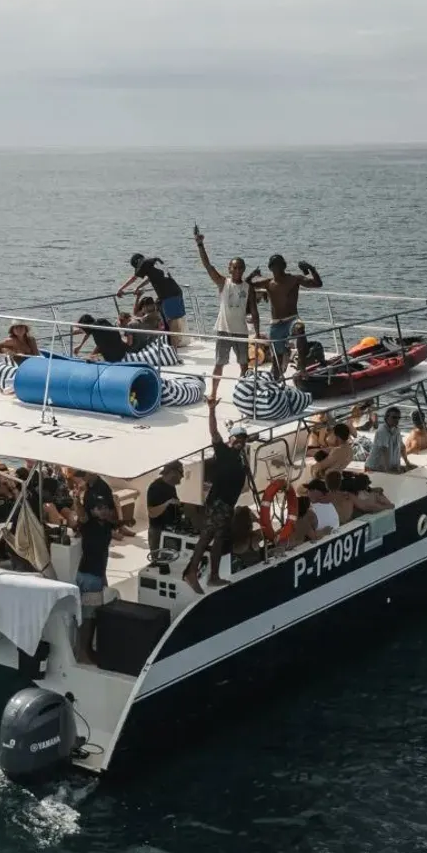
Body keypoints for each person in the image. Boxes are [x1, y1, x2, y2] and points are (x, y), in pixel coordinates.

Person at [184, 412, 249, 593]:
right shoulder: (224, 452)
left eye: (243, 440)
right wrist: (211, 410)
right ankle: (192, 572)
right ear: (230, 439)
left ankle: (212, 575)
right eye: (237, 438)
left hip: (227, 505)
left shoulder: (239, 459)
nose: (240, 442)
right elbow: (213, 431)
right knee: (207, 537)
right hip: (218, 503)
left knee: (218, 539)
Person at [192, 229, 260, 383]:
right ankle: (213, 393)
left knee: (244, 365)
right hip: (223, 330)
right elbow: (208, 266)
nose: (237, 270)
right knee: (219, 364)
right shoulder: (223, 283)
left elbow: (254, 313)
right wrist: (200, 244)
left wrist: (256, 335)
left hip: (241, 331)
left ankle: (244, 391)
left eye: (240, 267)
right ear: (229, 268)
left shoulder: (248, 288)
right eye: (234, 267)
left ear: (244, 269)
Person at [250, 255, 324, 374]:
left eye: (280, 265)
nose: (277, 269)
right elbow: (247, 285)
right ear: (270, 268)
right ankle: (276, 380)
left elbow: (317, 283)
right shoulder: (268, 282)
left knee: (299, 328)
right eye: (274, 266)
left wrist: (311, 269)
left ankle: (302, 364)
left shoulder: (294, 279)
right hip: (276, 324)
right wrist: (252, 275)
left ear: (284, 266)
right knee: (277, 363)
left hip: (292, 319)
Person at [76, 474, 119, 663]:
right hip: (89, 576)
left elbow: (116, 518)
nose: (104, 511)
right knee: (89, 618)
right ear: (92, 511)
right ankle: (83, 652)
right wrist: (75, 499)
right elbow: (82, 515)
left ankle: (87, 648)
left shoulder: (107, 525)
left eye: (106, 508)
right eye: (99, 508)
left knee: (93, 615)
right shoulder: (89, 525)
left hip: (97, 575)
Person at [117, 252, 187, 342]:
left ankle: (174, 348)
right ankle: (174, 343)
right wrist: (139, 287)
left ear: (137, 262)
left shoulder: (144, 263)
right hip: (175, 292)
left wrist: (121, 288)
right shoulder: (153, 262)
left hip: (169, 295)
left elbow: (133, 278)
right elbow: (150, 278)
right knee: (173, 320)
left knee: (172, 321)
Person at [146, 462, 186, 556]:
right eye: (181, 473)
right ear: (173, 473)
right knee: (160, 563)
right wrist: (167, 503)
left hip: (169, 531)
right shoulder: (155, 487)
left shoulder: (171, 487)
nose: (182, 476)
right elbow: (152, 512)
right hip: (158, 531)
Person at [367, 405, 411, 473]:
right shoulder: (382, 431)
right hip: (375, 468)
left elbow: (402, 447)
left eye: (398, 418)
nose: (397, 420)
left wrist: (407, 463)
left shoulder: (397, 430)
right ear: (386, 417)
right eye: (394, 417)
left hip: (389, 466)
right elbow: (384, 450)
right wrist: (387, 470)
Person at [309, 420, 354, 485]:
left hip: (328, 481)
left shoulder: (337, 451)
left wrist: (314, 467)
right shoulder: (350, 450)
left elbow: (321, 466)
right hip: (337, 479)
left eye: (332, 433)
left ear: (337, 436)